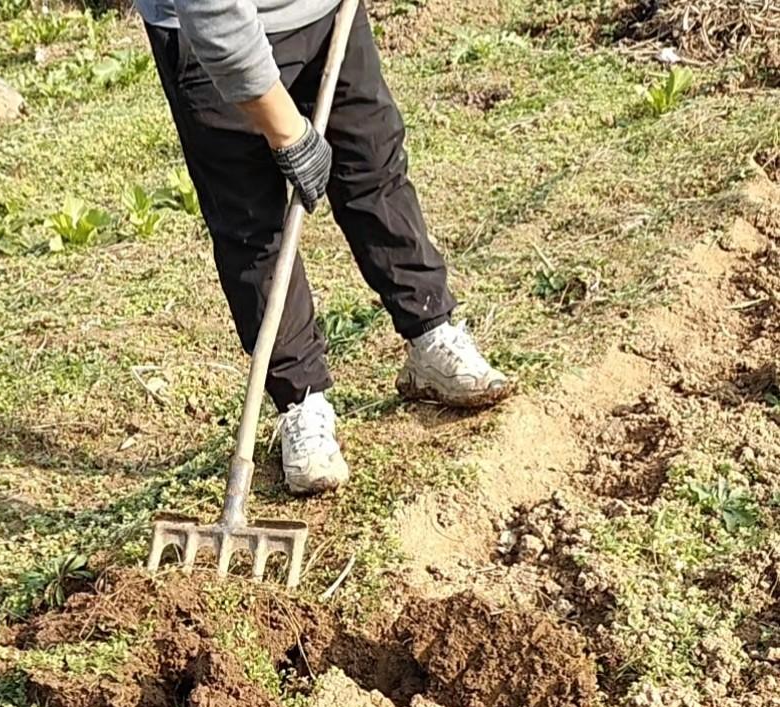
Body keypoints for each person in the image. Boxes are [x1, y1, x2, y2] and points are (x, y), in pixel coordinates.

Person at [138, 0, 513, 495]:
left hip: (325, 12)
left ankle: (430, 331)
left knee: (373, 167)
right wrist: (286, 130)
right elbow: (213, 14)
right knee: (253, 224)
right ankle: (301, 401)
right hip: (207, 37)